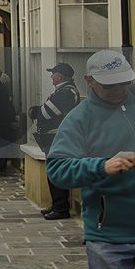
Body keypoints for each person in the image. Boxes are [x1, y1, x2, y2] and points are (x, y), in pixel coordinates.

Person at [47, 49, 135, 269]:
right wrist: (100, 166)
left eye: (124, 82)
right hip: (108, 232)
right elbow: (57, 169)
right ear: (89, 80)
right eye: (110, 85)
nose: (120, 90)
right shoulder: (78, 119)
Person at [29, 62, 80, 220]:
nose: (51, 76)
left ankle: (61, 208)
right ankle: (56, 205)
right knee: (53, 173)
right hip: (52, 138)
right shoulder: (63, 91)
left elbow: (45, 113)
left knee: (56, 173)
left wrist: (35, 111)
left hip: (57, 138)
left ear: (62, 76)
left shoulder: (66, 92)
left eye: (54, 73)